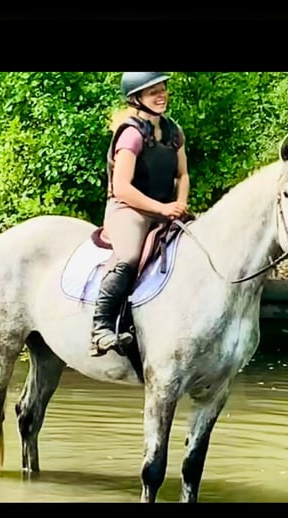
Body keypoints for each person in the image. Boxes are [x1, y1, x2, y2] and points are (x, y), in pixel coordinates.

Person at [90, 72, 190, 357]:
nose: (161, 96)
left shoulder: (174, 132)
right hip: (128, 210)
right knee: (129, 257)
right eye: (152, 92)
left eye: (163, 89)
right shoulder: (132, 134)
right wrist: (162, 208)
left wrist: (180, 203)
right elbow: (121, 187)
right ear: (137, 99)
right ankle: (100, 329)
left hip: (165, 210)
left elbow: (182, 175)